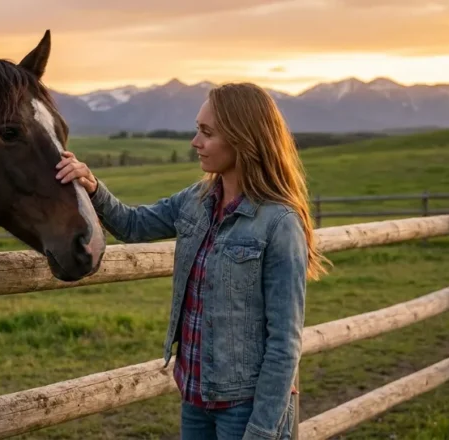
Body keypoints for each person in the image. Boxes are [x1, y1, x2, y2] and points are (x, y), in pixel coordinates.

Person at [54, 82, 329, 440]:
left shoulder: (279, 223)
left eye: (206, 132)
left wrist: (262, 430)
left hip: (244, 406)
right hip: (194, 396)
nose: (195, 142)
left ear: (242, 139)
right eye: (197, 129)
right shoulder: (196, 200)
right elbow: (133, 224)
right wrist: (92, 186)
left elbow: (284, 340)